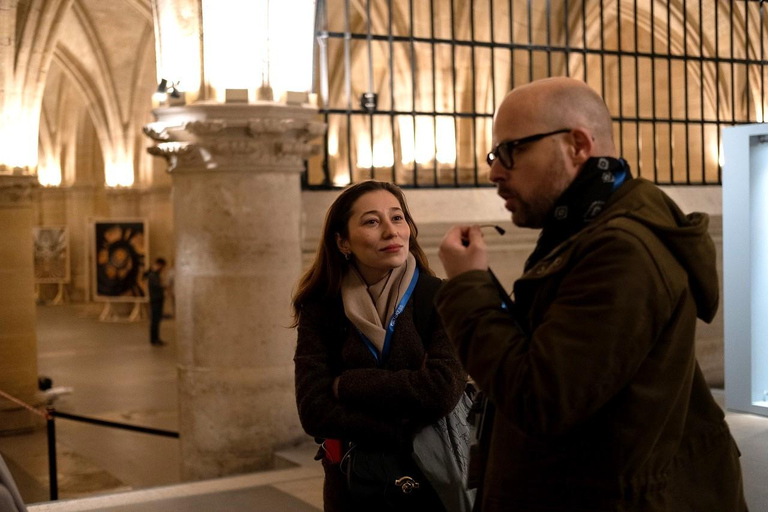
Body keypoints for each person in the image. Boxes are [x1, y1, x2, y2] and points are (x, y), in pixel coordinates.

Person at [435, 77, 748, 511]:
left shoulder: (621, 251)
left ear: (577, 145)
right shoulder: (580, 232)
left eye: (511, 150)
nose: (494, 172)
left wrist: (469, 286)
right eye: (493, 155)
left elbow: (540, 399)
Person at [292, 180, 467, 512]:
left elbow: (441, 390)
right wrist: (399, 429)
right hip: (354, 486)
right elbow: (313, 410)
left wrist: (347, 384)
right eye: (372, 221)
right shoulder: (321, 308)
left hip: (435, 479)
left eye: (397, 218)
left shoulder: (442, 298)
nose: (391, 232)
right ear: (343, 242)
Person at [143, 257, 167, 346]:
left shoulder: (155, 274)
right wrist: (163, 286)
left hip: (157, 299)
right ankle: (154, 339)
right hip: (155, 299)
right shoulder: (153, 274)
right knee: (155, 320)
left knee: (157, 320)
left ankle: (156, 338)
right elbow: (157, 285)